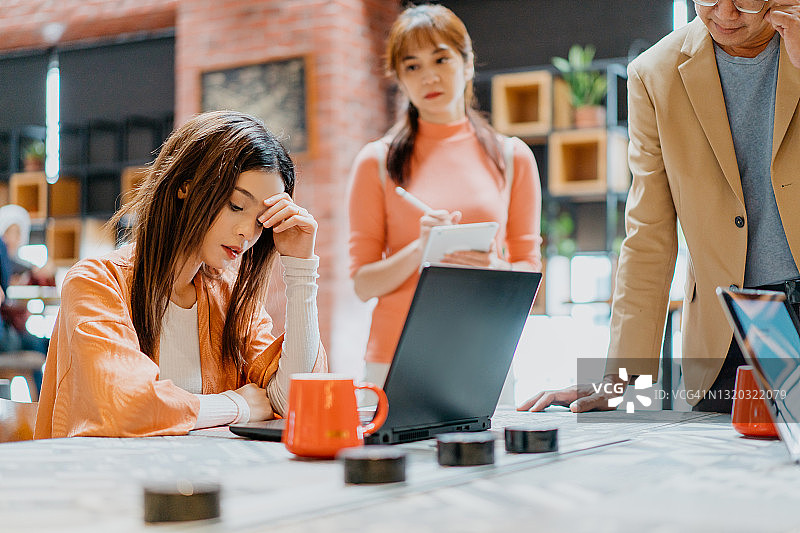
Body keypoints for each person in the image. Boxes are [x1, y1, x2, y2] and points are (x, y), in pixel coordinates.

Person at [520, 0, 800, 414]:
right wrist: (621, 378)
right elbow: (648, 233)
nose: (725, 14)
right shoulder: (655, 74)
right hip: (726, 333)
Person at [35, 110, 327, 438]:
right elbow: (126, 407)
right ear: (185, 187)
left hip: (206, 469)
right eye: (236, 206)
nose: (248, 232)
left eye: (261, 221)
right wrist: (237, 405)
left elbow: (296, 400)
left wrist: (301, 269)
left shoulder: (229, 296)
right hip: (113, 472)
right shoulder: (97, 282)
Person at [348, 3, 542, 387]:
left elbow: (529, 271)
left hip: (486, 354)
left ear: (467, 64)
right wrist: (421, 248)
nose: (429, 76)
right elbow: (362, 284)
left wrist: (496, 268)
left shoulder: (511, 156)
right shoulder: (376, 161)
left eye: (441, 59)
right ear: (400, 79)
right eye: (412, 66)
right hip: (395, 360)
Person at [0, 204, 50, 362]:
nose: (13, 239)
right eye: (9, 232)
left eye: (17, 233)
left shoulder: (20, 266)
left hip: (10, 327)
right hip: (6, 332)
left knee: (41, 342)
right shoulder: (5, 258)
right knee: (39, 343)